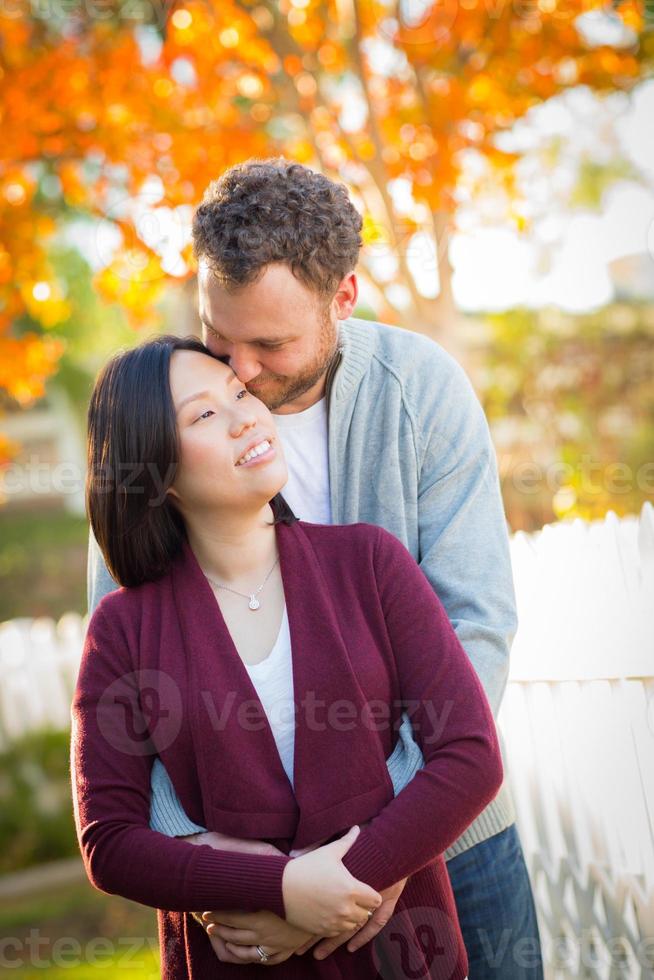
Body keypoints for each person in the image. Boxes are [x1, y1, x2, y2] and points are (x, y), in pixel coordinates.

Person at [87, 157, 544, 977]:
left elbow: (474, 625)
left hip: (446, 836)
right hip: (236, 879)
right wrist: (226, 866)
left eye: (269, 343)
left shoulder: (421, 392)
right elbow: (127, 692)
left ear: (342, 299)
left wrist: (364, 857)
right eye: (219, 334)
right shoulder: (161, 422)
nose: (241, 372)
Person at [72, 333, 504, 978]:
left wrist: (329, 890)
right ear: (154, 472)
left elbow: (469, 755)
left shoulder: (370, 563)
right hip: (238, 960)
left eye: (240, 393)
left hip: (391, 951)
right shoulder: (123, 630)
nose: (248, 415)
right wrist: (274, 889)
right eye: (206, 414)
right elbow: (109, 841)